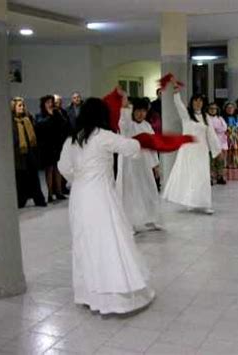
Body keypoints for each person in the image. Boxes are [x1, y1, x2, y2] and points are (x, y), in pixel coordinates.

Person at [58, 97, 192, 315]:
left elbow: (64, 168)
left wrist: (81, 178)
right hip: (100, 195)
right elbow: (131, 147)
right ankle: (115, 296)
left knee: (85, 241)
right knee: (109, 240)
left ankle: (87, 293)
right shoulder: (103, 137)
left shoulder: (71, 140)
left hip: (79, 197)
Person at [162, 85, 221, 214]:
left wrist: (217, 150)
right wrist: (176, 94)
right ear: (192, 102)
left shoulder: (206, 117)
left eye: (200, 100)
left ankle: (205, 203)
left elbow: (211, 134)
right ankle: (190, 201)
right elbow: (178, 105)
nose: (198, 103)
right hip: (188, 150)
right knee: (190, 176)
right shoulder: (186, 115)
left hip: (201, 150)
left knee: (202, 176)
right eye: (195, 100)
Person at [117, 97, 162, 231]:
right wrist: (125, 107)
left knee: (149, 190)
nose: (141, 114)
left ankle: (151, 219)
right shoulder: (128, 125)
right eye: (138, 111)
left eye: (144, 111)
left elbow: (153, 146)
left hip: (144, 164)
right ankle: (130, 223)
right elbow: (122, 122)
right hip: (129, 165)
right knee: (130, 193)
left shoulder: (147, 126)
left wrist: (156, 165)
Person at [11, 97, 47, 208]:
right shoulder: (12, 122)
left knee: (33, 177)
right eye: (19, 105)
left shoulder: (28, 119)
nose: (22, 107)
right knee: (21, 179)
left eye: (22, 105)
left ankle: (39, 200)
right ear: (13, 108)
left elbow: (33, 136)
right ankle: (21, 201)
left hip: (30, 153)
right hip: (19, 154)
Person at [35, 95, 70, 202]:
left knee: (58, 169)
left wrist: (56, 114)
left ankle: (59, 192)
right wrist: (50, 116)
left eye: (51, 102)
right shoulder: (39, 115)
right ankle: (50, 194)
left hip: (57, 145)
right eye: (48, 102)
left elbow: (64, 124)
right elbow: (39, 127)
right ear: (43, 104)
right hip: (46, 146)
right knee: (49, 170)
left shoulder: (56, 113)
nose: (50, 104)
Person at [207, 102, 228, 185]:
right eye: (211, 108)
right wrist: (215, 130)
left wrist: (217, 130)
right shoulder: (206, 118)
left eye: (214, 109)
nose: (213, 110)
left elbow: (224, 127)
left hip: (220, 142)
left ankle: (220, 176)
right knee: (211, 162)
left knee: (220, 161)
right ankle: (211, 178)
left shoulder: (220, 118)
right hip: (210, 143)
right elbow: (209, 129)